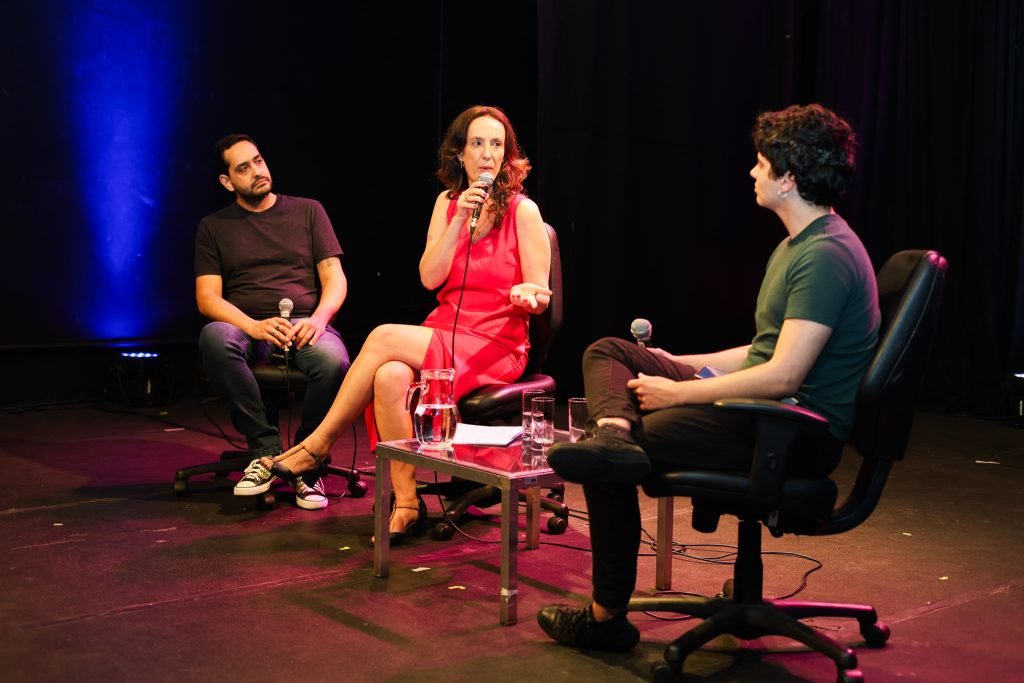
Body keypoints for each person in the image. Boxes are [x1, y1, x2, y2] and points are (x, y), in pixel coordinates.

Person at [537, 103, 880, 652]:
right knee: (609, 350)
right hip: (771, 414)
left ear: (789, 179)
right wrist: (684, 361)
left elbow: (782, 375)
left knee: (607, 463)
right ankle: (612, 431)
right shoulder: (799, 245)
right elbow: (764, 351)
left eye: (761, 164)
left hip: (790, 433)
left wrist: (680, 391)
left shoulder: (826, 257)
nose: (752, 172)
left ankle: (605, 621)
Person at [240, 105, 554, 544]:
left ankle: (317, 445)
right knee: (388, 375)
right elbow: (430, 278)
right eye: (477, 144)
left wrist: (528, 294)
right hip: (446, 329)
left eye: (496, 145)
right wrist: (460, 220)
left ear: (507, 155)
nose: (486, 154)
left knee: (383, 336)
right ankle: (406, 503)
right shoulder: (447, 204)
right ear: (459, 154)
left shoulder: (524, 212)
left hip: (497, 342)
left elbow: (540, 295)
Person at [195, 134, 351, 510]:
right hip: (248, 324)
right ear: (227, 182)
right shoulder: (213, 227)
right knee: (214, 337)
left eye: (259, 161)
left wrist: (318, 319)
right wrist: (253, 326)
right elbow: (207, 298)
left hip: (304, 321)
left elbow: (335, 278)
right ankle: (264, 453)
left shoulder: (308, 211)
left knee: (334, 361)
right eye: (243, 168)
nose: (257, 172)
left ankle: (305, 461)